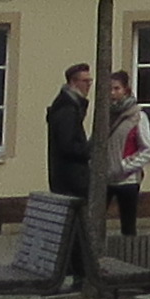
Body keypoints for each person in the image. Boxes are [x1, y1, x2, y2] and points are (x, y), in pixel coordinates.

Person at [103, 90, 150, 240]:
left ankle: (129, 257)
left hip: (128, 180)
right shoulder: (106, 114)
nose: (112, 93)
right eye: (109, 88)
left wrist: (124, 166)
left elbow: (146, 150)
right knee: (96, 221)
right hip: (106, 178)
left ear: (126, 90)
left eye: (117, 88)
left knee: (128, 225)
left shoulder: (138, 116)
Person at [46, 64, 94, 201]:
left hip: (68, 178)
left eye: (90, 81)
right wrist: (88, 150)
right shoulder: (67, 109)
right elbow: (67, 145)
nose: (89, 85)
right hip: (72, 180)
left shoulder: (68, 105)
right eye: (85, 81)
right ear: (73, 82)